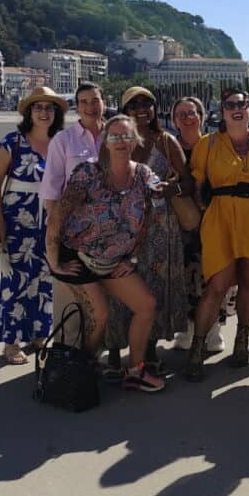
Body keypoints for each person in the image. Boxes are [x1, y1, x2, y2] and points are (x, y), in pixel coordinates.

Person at [44, 114, 166, 393]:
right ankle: (81, 371)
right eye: (114, 137)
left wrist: (132, 256)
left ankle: (135, 371)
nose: (121, 141)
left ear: (135, 140)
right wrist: (53, 261)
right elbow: (57, 217)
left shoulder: (144, 176)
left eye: (126, 136)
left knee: (146, 305)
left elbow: (151, 214)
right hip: (78, 257)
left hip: (112, 261)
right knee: (99, 314)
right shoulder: (88, 173)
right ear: (105, 142)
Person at [184, 87, 249, 380]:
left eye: (242, 103)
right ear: (223, 109)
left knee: (248, 282)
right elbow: (196, 185)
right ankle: (197, 347)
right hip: (221, 221)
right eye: (231, 104)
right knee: (216, 285)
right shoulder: (209, 144)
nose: (237, 108)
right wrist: (205, 210)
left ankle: (241, 342)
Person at [100, 87, 190, 378]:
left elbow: (189, 181)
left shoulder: (165, 141)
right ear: (124, 110)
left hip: (160, 228)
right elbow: (101, 180)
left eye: (147, 103)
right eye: (134, 104)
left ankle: (148, 349)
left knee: (154, 286)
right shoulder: (115, 140)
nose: (142, 108)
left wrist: (171, 188)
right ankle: (114, 352)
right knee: (117, 289)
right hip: (122, 227)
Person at [0, 86, 65, 364]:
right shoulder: (13, 142)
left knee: (45, 279)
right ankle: (11, 342)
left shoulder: (61, 142)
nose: (44, 112)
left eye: (49, 107)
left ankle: (39, 333)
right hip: (17, 219)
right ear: (29, 112)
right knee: (15, 280)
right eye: (38, 107)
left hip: (50, 219)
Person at [170, 96, 226, 354]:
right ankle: (187, 329)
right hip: (181, 224)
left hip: (215, 220)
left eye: (192, 112)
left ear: (202, 117)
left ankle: (213, 331)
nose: (187, 118)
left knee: (213, 276)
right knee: (185, 277)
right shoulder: (170, 148)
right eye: (181, 114)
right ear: (174, 120)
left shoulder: (216, 145)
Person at [40, 82, 106, 215]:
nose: (90, 107)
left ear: (104, 104)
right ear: (77, 107)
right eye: (83, 102)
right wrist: (53, 225)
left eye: (95, 101)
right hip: (75, 221)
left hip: (113, 221)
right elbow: (51, 188)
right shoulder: (62, 140)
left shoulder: (115, 136)